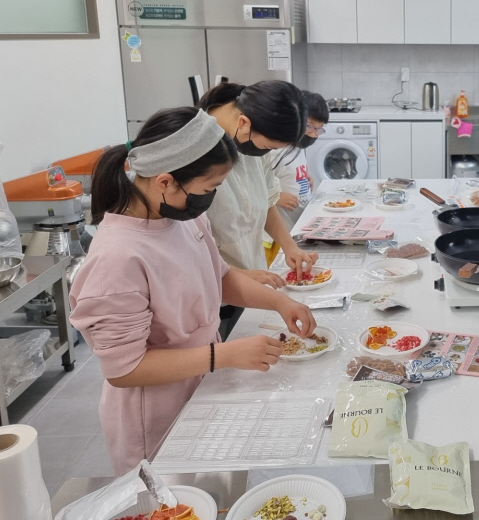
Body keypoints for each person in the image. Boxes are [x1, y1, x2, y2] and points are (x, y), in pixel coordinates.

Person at [70, 107, 317, 473]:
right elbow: (124, 369)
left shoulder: (179, 217)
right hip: (155, 414)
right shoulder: (117, 259)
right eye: (209, 188)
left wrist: (278, 301)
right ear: (166, 181)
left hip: (201, 383)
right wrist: (224, 355)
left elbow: (218, 276)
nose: (211, 198)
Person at [198, 81, 318, 337]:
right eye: (267, 147)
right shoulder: (197, 149)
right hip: (211, 292)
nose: (265, 153)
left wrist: (289, 247)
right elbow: (184, 244)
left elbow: (267, 202)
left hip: (253, 282)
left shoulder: (249, 142)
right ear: (243, 123)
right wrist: (239, 275)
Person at [268, 90, 329, 230]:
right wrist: (276, 196)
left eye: (319, 129)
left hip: (297, 222)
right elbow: (255, 183)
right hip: (280, 229)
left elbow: (286, 172)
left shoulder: (298, 147)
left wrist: (302, 180)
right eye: (310, 126)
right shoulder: (276, 150)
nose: (314, 134)